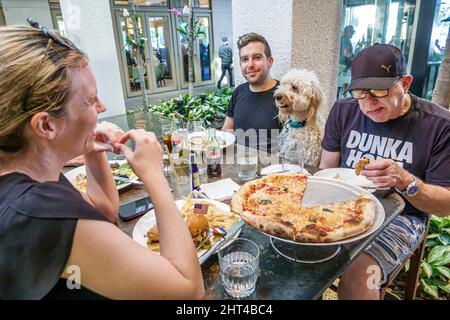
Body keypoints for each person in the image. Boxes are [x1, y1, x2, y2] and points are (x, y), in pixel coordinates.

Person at [0, 24, 204, 299]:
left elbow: (102, 212)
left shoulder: (26, 172)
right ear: (46, 125)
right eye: (90, 99)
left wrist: (91, 150)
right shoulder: (40, 211)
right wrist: (154, 176)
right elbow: (189, 291)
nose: (102, 107)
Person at [320, 43, 450, 300]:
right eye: (360, 91)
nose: (368, 102)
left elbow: (445, 206)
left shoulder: (439, 125)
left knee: (359, 276)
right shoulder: (343, 110)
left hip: (402, 216)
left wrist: (406, 181)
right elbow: (326, 168)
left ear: (406, 83)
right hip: (342, 205)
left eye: (380, 89)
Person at [221, 32, 281, 152]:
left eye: (257, 57)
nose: (250, 64)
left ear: (269, 61)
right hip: (236, 165)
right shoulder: (238, 91)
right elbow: (225, 136)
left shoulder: (285, 96)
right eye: (244, 59)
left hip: (271, 167)